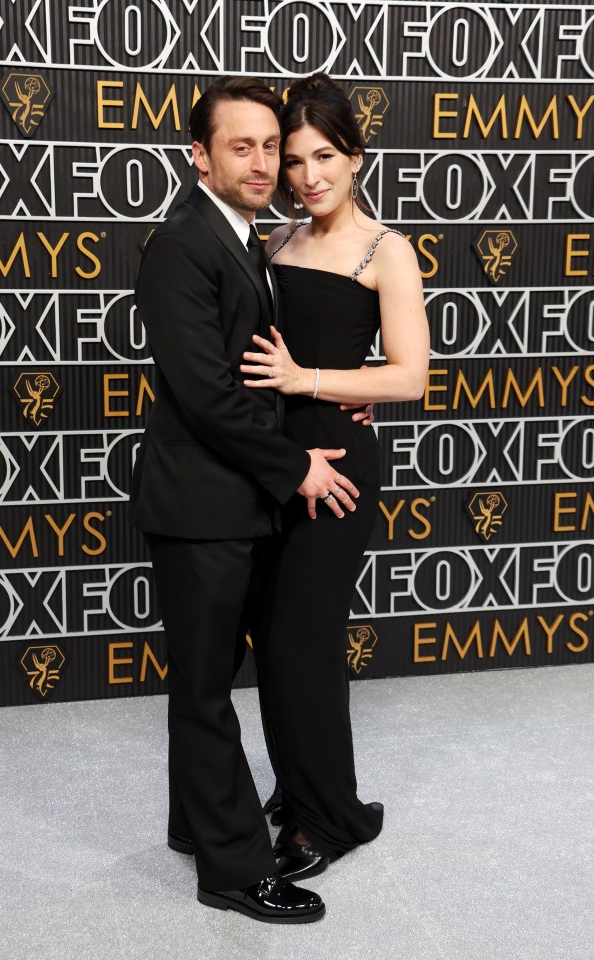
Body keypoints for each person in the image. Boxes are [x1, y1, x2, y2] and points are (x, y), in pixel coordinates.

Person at [129, 75, 371, 924]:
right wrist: (295, 465)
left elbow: (270, 358)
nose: (265, 161)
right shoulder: (183, 244)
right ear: (200, 155)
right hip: (201, 508)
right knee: (203, 693)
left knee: (203, 683)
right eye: (243, 145)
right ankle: (235, 869)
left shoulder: (247, 239)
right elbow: (206, 395)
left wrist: (349, 386)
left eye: (273, 145)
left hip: (234, 506)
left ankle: (197, 824)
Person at [240, 73, 430, 882]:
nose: (307, 175)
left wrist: (309, 381)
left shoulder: (387, 251)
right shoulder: (273, 242)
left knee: (301, 642)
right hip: (270, 463)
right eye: (293, 160)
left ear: (356, 157)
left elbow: (409, 378)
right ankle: (299, 782)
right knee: (271, 637)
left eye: (324, 156)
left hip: (339, 468)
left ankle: (330, 818)